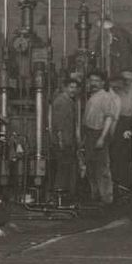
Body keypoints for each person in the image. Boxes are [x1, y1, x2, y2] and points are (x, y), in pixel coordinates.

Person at [81, 72, 121, 206]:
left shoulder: (106, 97)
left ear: (103, 83)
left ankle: (106, 198)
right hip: (90, 134)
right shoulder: (92, 97)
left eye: (97, 80)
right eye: (91, 80)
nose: (93, 83)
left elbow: (109, 118)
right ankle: (96, 195)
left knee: (102, 168)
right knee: (91, 167)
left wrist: (102, 138)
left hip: (99, 134)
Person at [46, 72, 83, 209]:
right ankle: (59, 199)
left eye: (75, 87)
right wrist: (61, 141)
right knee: (63, 170)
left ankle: (61, 199)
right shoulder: (62, 101)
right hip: (63, 142)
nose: (73, 90)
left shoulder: (68, 101)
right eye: (71, 87)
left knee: (65, 169)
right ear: (65, 87)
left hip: (68, 141)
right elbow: (59, 124)